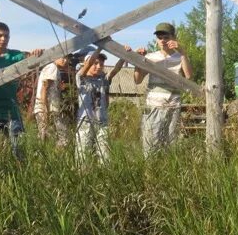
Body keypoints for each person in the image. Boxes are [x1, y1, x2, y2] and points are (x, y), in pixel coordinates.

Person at [0, 23, 43, 159]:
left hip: (11, 110)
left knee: (19, 149)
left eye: (6, 36)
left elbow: (31, 61)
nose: (3, 39)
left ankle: (21, 177)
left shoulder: (15, 56)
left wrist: (37, 54)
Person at [133, 22, 194, 156]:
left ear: (173, 38)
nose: (162, 40)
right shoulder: (151, 57)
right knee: (150, 145)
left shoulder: (180, 57)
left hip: (173, 106)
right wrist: (139, 61)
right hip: (153, 106)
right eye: (159, 37)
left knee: (170, 145)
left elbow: (189, 76)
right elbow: (137, 80)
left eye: (166, 37)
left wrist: (182, 52)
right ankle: (149, 174)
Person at [75, 47, 130, 166]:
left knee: (104, 156)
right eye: (95, 63)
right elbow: (86, 67)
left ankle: (104, 178)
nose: (99, 66)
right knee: (83, 155)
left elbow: (115, 70)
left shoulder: (103, 80)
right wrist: (100, 47)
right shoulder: (82, 78)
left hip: (102, 122)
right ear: (87, 63)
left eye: (101, 63)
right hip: (86, 122)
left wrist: (123, 56)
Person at [34, 56, 70, 147]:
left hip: (47, 108)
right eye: (62, 57)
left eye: (67, 58)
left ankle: (44, 156)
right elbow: (44, 89)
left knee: (47, 137)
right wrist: (45, 109)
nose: (65, 60)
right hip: (49, 109)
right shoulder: (52, 68)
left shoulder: (52, 68)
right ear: (55, 56)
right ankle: (56, 157)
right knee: (63, 137)